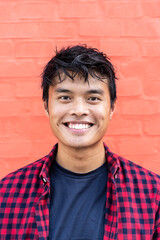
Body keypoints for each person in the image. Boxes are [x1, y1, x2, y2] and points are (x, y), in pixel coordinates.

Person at [0, 45, 160, 240]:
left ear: (112, 108)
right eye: (65, 97)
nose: (79, 110)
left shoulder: (152, 193)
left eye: (93, 98)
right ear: (46, 106)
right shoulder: (7, 194)